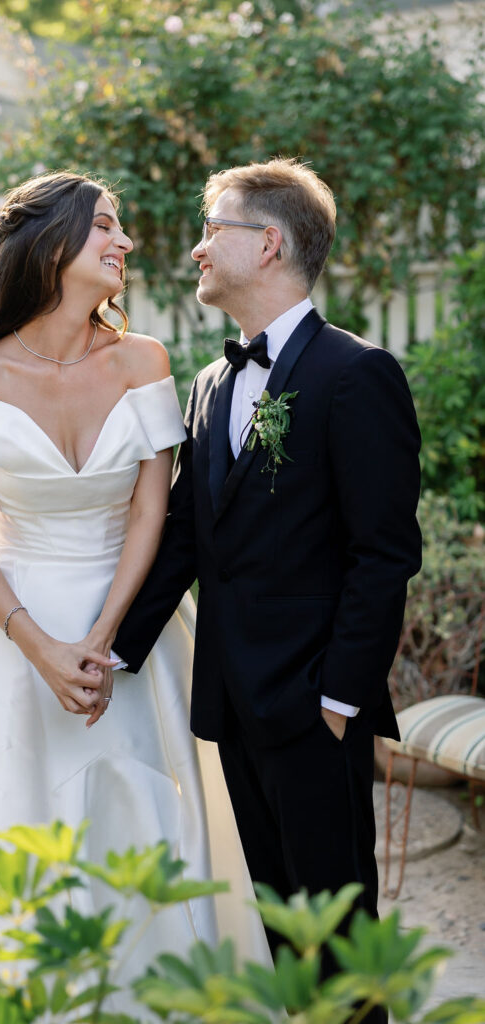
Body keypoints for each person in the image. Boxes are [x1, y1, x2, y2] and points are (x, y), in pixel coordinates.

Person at [0, 172, 269, 1012]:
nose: (124, 243)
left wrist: (106, 637)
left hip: (132, 629)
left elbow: (153, 507)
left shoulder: (142, 359)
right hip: (2, 637)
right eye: (106, 227)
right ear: (52, 246)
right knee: (5, 826)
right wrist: (41, 646)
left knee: (144, 817)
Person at [113, 158, 422, 1020]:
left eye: (213, 228)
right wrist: (109, 648)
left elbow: (384, 554)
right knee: (285, 934)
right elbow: (183, 538)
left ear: (269, 241)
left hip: (314, 705)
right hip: (233, 706)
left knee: (340, 942)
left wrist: (338, 698)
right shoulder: (213, 384)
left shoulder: (357, 375)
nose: (198, 248)